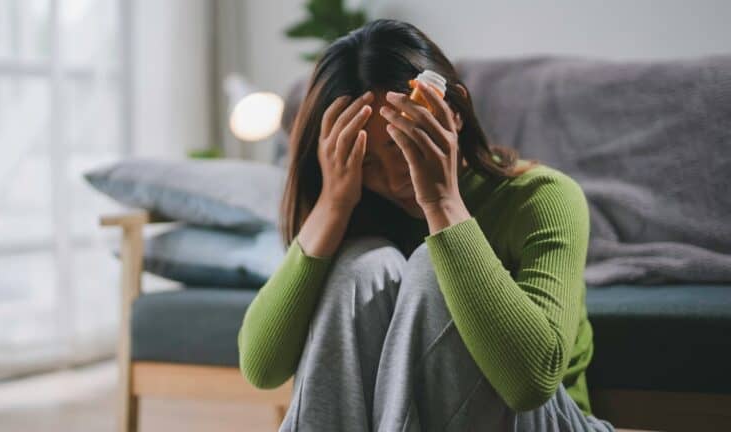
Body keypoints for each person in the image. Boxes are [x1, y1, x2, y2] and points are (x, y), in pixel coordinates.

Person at [237, 18, 616, 432]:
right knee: (361, 264)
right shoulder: (358, 214)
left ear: (453, 113)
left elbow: (532, 382)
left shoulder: (543, 197)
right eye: (367, 162)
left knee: (434, 268)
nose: (396, 178)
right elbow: (261, 368)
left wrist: (442, 203)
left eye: (404, 145)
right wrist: (332, 204)